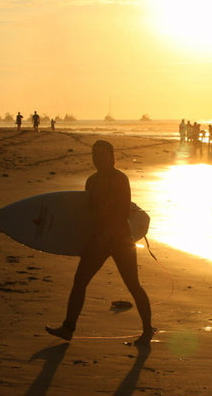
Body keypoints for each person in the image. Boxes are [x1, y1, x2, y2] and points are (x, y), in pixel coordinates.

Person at [46, 140, 154, 345]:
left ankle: (147, 330)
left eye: (102, 154)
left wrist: (107, 234)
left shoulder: (120, 179)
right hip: (98, 239)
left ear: (111, 156)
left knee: (133, 285)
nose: (97, 158)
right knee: (80, 282)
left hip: (121, 240)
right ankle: (68, 327)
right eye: (94, 155)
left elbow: (122, 212)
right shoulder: (92, 181)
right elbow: (89, 214)